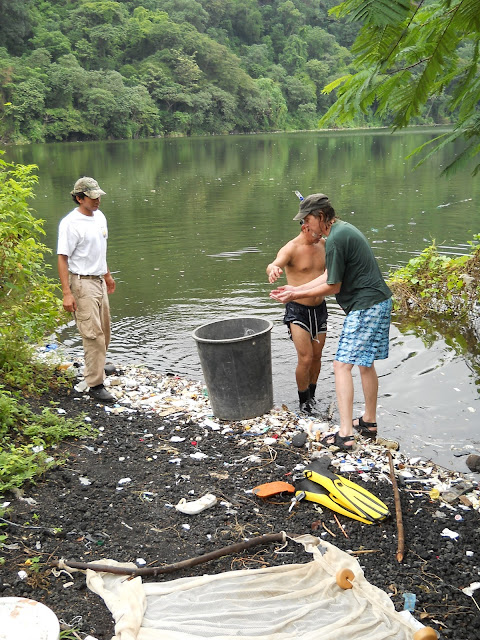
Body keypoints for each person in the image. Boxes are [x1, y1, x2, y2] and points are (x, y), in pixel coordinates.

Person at [270, 193, 392, 451]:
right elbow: (328, 274)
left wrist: (295, 293)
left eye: (308, 219)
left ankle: (345, 434)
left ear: (321, 217)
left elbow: (333, 285)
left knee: (340, 366)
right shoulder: (342, 231)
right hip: (379, 301)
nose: (306, 225)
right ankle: (368, 423)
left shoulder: (334, 239)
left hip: (366, 305)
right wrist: (294, 291)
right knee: (364, 363)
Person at [57, 177, 116, 403]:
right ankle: (95, 384)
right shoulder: (70, 223)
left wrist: (108, 275)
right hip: (81, 282)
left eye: (98, 196)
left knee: (104, 329)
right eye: (92, 197)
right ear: (79, 198)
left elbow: (100, 251)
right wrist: (67, 293)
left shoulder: (99, 217)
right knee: (92, 334)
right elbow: (63, 258)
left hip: (99, 279)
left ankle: (98, 365)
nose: (97, 200)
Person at [266, 201, 328, 414]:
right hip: (297, 310)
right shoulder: (291, 248)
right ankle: (303, 402)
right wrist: (273, 269)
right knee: (306, 357)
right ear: (305, 227)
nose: (320, 235)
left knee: (318, 357)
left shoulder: (324, 245)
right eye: (316, 233)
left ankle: (312, 396)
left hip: (320, 308)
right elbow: (275, 262)